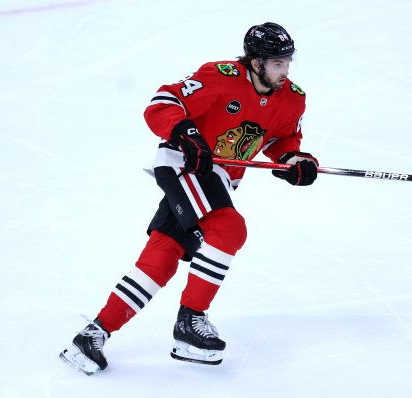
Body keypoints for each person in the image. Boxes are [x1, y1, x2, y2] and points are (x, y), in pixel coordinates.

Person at [59, 22, 319, 375]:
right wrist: (187, 134)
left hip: (219, 179)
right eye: (277, 63)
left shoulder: (292, 98)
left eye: (288, 61)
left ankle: (92, 335)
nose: (285, 70)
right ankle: (190, 321)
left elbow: (283, 141)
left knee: (161, 257)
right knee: (229, 228)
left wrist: (296, 162)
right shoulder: (220, 76)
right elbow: (163, 101)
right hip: (184, 162)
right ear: (256, 62)